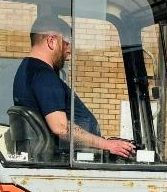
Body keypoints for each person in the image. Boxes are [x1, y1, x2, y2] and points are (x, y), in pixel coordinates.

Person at [13, 15, 135, 159]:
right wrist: (107, 145)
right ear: (51, 40)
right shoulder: (44, 76)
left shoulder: (27, 70)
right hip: (67, 160)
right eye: (66, 43)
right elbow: (61, 128)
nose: (69, 51)